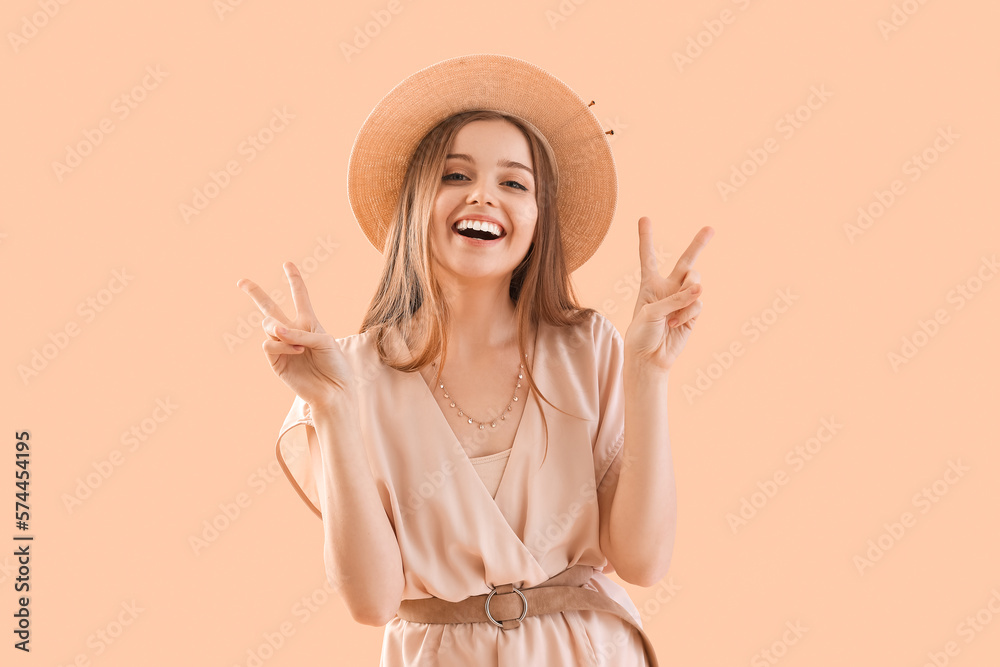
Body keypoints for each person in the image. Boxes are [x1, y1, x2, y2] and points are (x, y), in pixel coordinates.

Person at [237, 53, 713, 667]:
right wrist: (330, 407)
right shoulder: (347, 376)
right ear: (414, 204)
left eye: (514, 183)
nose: (483, 195)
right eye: (455, 175)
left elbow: (644, 561)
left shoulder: (587, 347)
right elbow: (372, 601)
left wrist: (649, 376)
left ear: (539, 222)